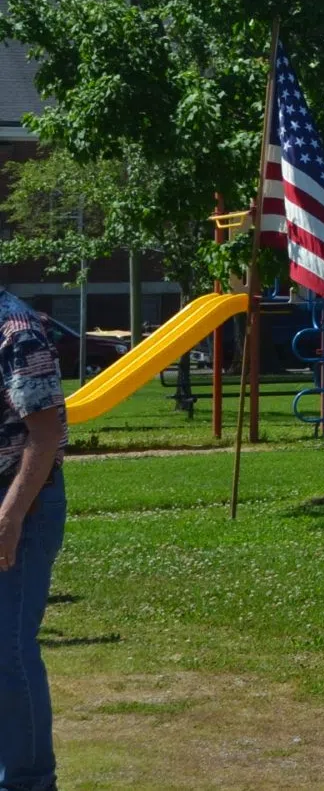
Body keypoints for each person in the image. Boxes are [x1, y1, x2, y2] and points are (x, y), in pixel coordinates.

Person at [0, 289, 65, 791]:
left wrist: (11, 515)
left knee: (9, 650)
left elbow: (46, 432)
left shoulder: (15, 329)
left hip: (21, 504)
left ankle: (27, 782)